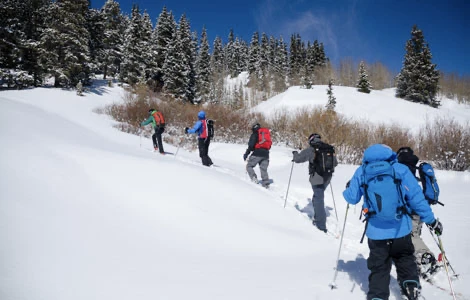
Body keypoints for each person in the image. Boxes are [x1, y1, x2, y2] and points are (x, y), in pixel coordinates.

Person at [343, 144, 443, 300]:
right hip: (401, 229)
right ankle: (411, 287)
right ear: (389, 154)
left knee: (379, 268)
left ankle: (377, 296)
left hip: (376, 232)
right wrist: (431, 221)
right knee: (404, 258)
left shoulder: (362, 171)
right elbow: (417, 199)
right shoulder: (400, 169)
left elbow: (351, 197)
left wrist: (348, 187)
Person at [396, 146, 440, 280]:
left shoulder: (400, 168)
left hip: (411, 209)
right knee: (415, 234)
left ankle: (427, 259)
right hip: (421, 207)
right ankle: (417, 257)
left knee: (411, 235)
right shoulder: (412, 167)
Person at [292, 133, 337, 233]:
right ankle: (317, 214)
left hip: (317, 178)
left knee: (318, 199)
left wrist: (295, 153)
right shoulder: (329, 148)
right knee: (318, 196)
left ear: (311, 140)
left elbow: (298, 159)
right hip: (328, 177)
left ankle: (321, 226)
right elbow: (336, 163)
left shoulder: (312, 149)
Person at [243, 122, 271, 188]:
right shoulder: (265, 133)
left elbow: (251, 145)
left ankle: (254, 179)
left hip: (257, 153)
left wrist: (246, 154)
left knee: (249, 166)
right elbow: (269, 145)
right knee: (263, 169)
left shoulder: (255, 133)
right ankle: (266, 184)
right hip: (266, 154)